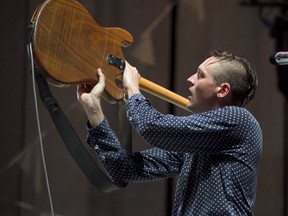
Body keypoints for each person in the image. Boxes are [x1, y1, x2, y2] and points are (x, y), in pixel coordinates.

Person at [77, 50, 262, 216]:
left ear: (222, 90)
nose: (190, 79)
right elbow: (124, 169)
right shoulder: (199, 141)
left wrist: (133, 89)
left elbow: (151, 127)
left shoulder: (239, 119)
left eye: (200, 75)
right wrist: (93, 111)